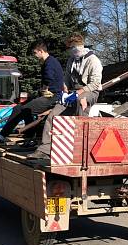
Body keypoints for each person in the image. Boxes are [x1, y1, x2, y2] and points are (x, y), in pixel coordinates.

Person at [30, 33, 103, 162]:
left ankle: (80, 147)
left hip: (89, 91)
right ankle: (45, 150)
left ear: (78, 46)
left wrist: (80, 91)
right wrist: (65, 88)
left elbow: (95, 83)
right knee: (53, 116)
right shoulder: (71, 60)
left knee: (81, 102)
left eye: (72, 48)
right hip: (73, 93)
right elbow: (67, 79)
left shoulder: (93, 60)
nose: (70, 51)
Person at [0, 40, 64, 144]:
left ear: (41, 51)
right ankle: (11, 135)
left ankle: (26, 137)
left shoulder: (49, 63)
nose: (35, 55)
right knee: (17, 108)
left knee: (26, 109)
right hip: (49, 94)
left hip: (52, 96)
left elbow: (48, 79)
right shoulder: (51, 61)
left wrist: (45, 89)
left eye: (35, 53)